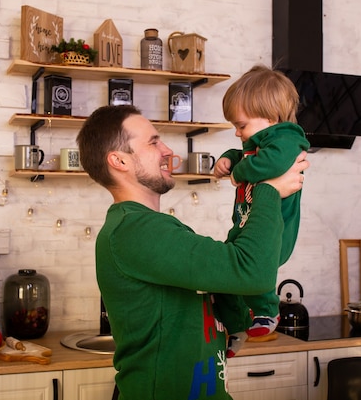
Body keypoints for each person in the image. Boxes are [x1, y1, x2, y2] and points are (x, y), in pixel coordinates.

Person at [76, 104, 309, 400]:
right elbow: (252, 271)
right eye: (153, 142)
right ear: (119, 160)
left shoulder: (158, 227)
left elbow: (224, 280)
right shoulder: (134, 230)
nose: (167, 150)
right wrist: (268, 190)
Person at [213, 64, 310, 352]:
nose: (236, 133)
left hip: (274, 231)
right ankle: (234, 326)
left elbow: (273, 164)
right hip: (244, 224)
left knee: (257, 270)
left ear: (270, 118)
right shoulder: (256, 143)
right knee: (225, 274)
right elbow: (244, 155)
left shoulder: (287, 137)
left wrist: (238, 172)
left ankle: (268, 309)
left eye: (240, 126)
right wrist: (228, 160)